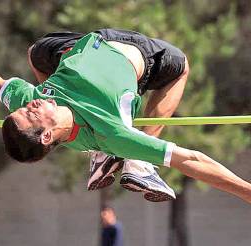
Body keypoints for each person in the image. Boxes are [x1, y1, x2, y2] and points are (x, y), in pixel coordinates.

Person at [0, 32, 251, 229]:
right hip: (132, 52)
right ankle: (140, 163)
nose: (31, 103)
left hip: (81, 44)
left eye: (27, 106)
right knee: (182, 66)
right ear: (45, 136)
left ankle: (107, 161)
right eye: (31, 113)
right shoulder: (109, 130)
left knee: (37, 52)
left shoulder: (34, 96)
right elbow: (191, 160)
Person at [25, 29, 190, 202]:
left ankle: (103, 152)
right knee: (181, 66)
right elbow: (32, 54)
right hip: (118, 59)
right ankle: (139, 162)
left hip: (105, 70)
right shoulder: (47, 52)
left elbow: (30, 57)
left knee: (96, 115)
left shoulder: (41, 63)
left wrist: (57, 105)